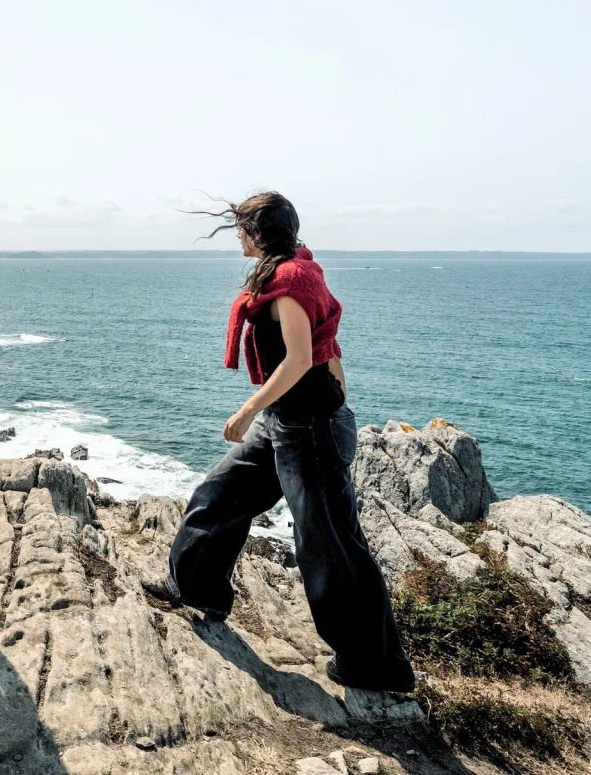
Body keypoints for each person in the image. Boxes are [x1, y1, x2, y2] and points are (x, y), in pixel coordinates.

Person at [156, 192, 416, 693]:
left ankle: (375, 667)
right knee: (219, 496)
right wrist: (330, 396)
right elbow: (327, 346)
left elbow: (299, 357)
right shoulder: (293, 269)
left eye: (241, 228)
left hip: (309, 429)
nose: (236, 236)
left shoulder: (292, 281)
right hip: (291, 419)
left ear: (258, 234)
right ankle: (196, 589)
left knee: (331, 547)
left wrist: (246, 410)